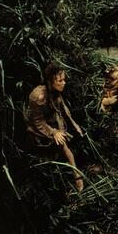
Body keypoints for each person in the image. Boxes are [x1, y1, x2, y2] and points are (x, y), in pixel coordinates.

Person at [26, 63, 84, 192]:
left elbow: (63, 110)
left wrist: (75, 126)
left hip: (51, 122)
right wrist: (53, 133)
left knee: (65, 146)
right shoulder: (38, 96)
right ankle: (74, 178)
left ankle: (76, 177)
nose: (64, 83)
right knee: (61, 148)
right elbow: (38, 122)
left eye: (64, 80)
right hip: (37, 130)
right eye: (60, 80)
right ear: (50, 81)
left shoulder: (55, 92)